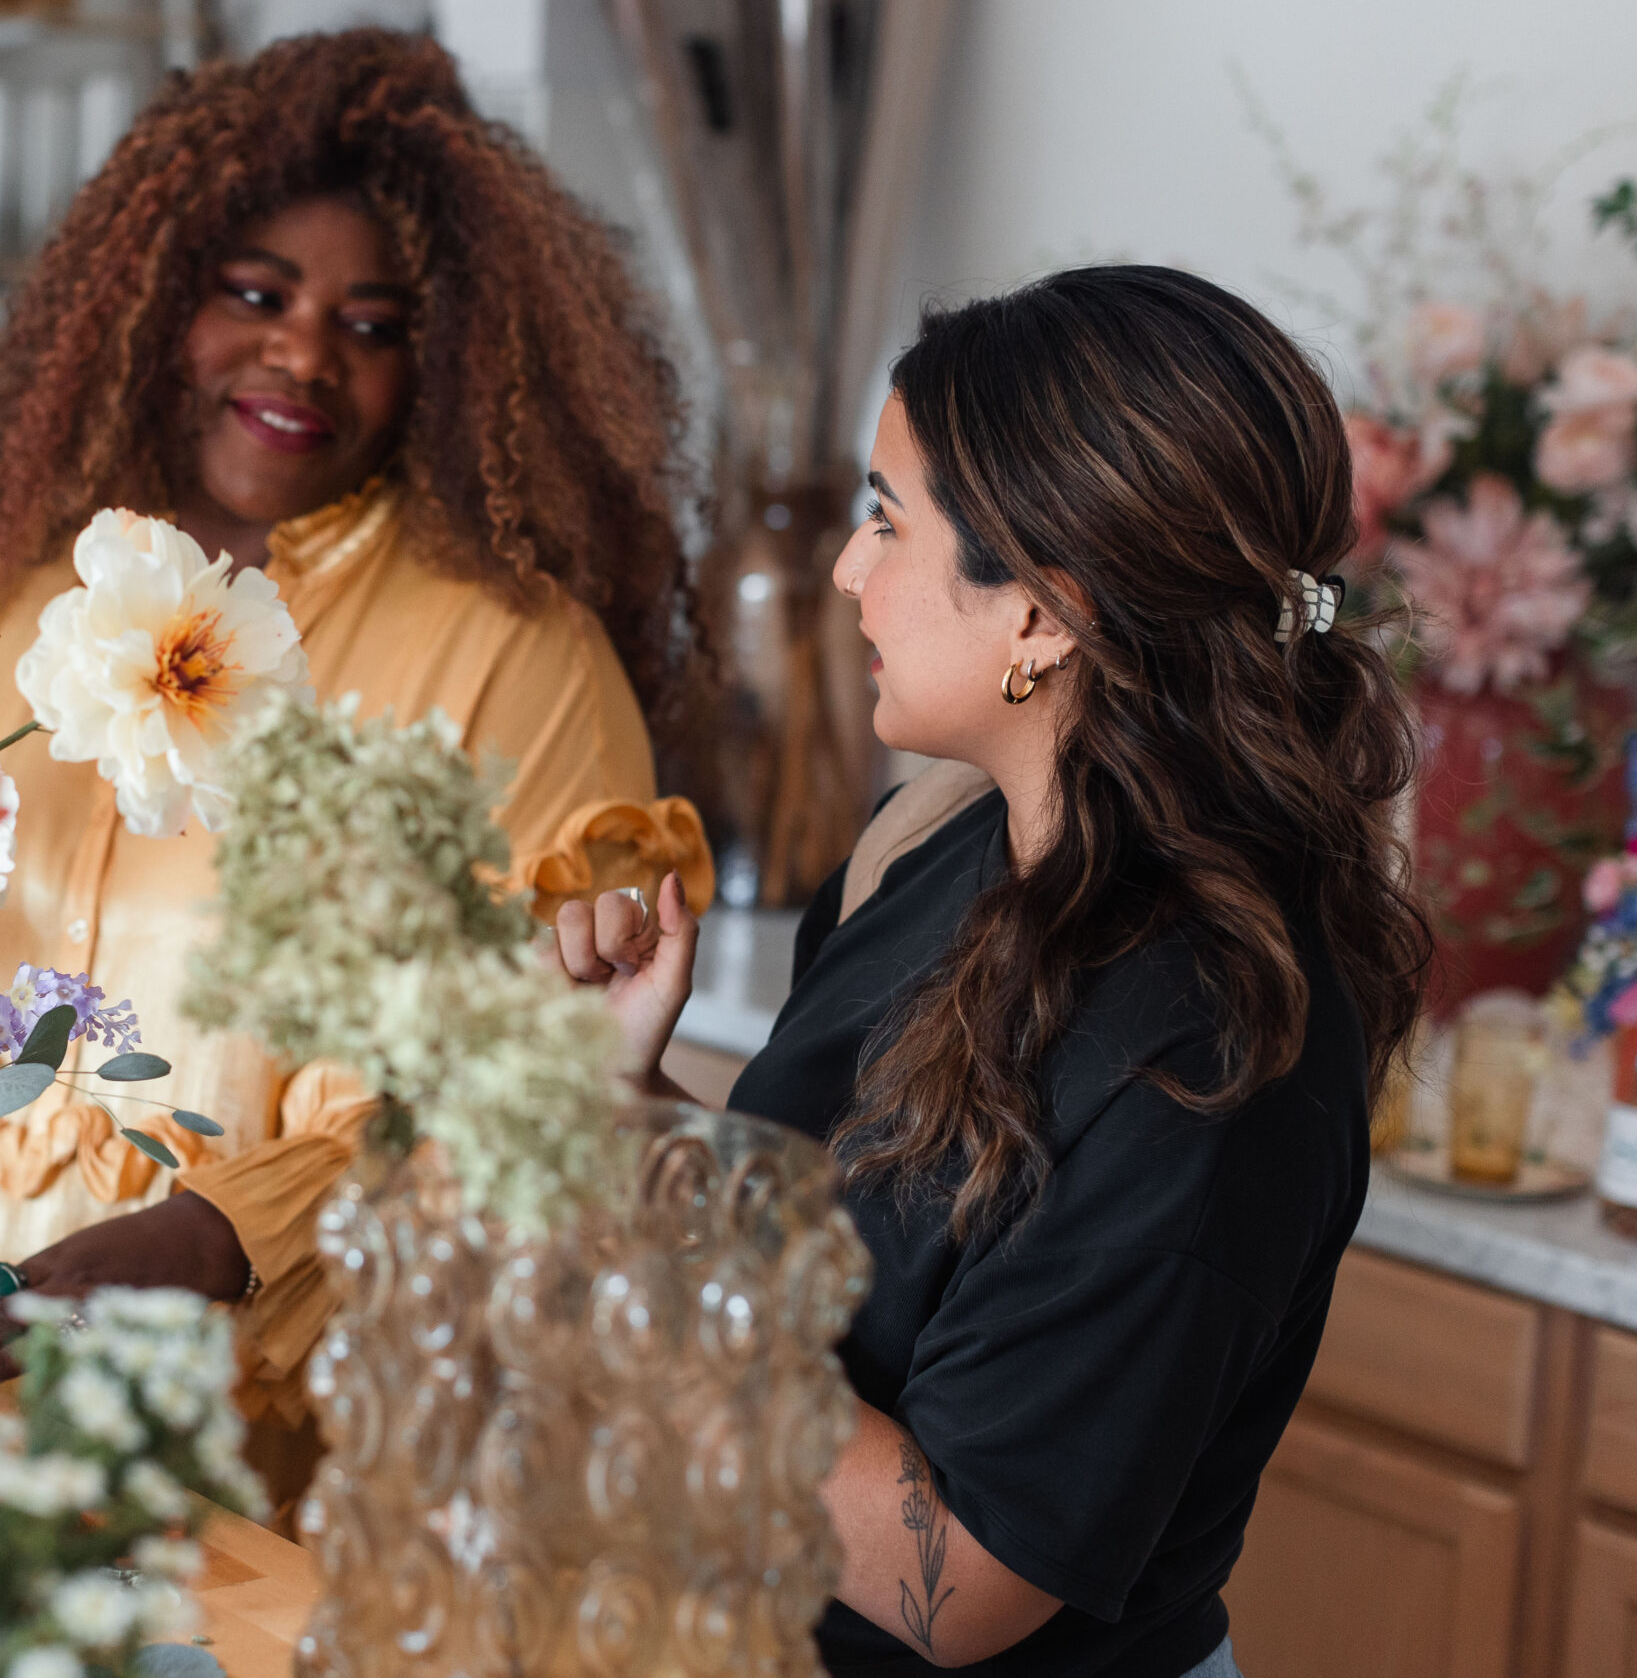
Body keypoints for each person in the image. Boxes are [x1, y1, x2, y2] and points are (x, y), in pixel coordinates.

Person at [0, 29, 714, 1517]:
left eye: (371, 325)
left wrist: (219, 1240)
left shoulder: (518, 662)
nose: (305, 352)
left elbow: (535, 1085)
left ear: (445, 367)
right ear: (148, 300)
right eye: (257, 294)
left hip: (262, 1479)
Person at [559, 266, 1428, 1676]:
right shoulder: (932, 837)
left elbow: (951, 1582)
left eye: (887, 521)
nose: (847, 569)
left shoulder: (1208, 1055)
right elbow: (861, 1244)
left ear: (1042, 614)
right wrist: (629, 1094)